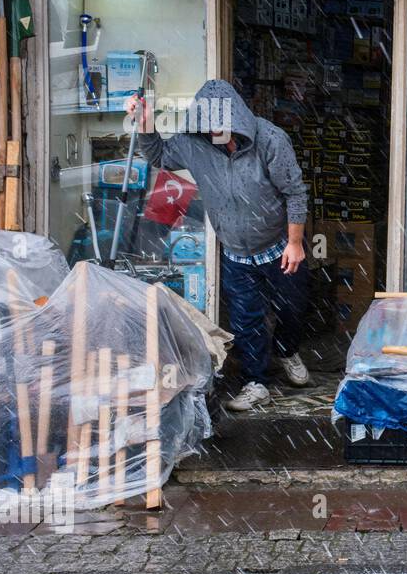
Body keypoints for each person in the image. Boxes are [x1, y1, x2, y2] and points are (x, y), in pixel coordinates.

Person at [129, 79, 311, 412]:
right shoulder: (193, 144)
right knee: (246, 319)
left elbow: (295, 192)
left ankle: (287, 351)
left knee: (293, 307)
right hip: (236, 251)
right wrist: (145, 124)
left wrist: (296, 242)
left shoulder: (270, 139)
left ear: (237, 118)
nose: (214, 132)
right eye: (206, 125)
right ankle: (257, 382)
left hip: (279, 245)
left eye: (220, 125)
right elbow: (158, 155)